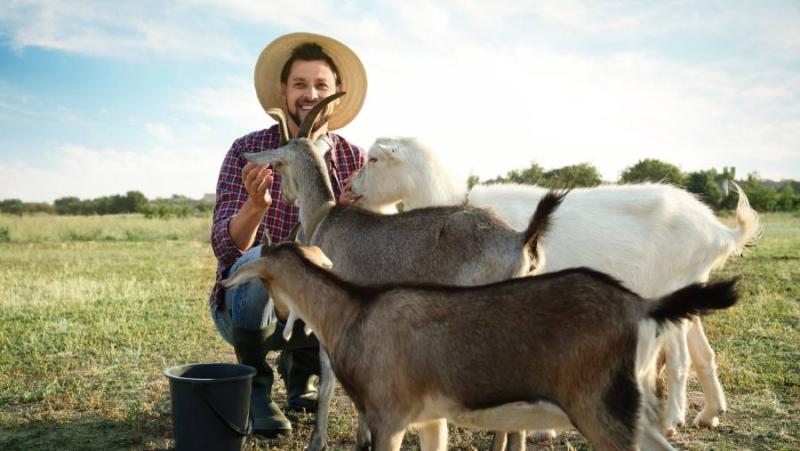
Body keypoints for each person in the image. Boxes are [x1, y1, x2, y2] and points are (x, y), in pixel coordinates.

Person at [208, 32, 367, 437]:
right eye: (300, 84)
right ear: (283, 90)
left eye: (320, 85)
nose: (309, 94)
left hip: (320, 314)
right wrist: (254, 207)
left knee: (338, 264)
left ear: (337, 93)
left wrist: (358, 218)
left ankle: (304, 375)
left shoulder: (355, 159)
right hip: (247, 310)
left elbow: (371, 254)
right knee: (271, 256)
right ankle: (256, 388)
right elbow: (228, 250)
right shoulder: (249, 148)